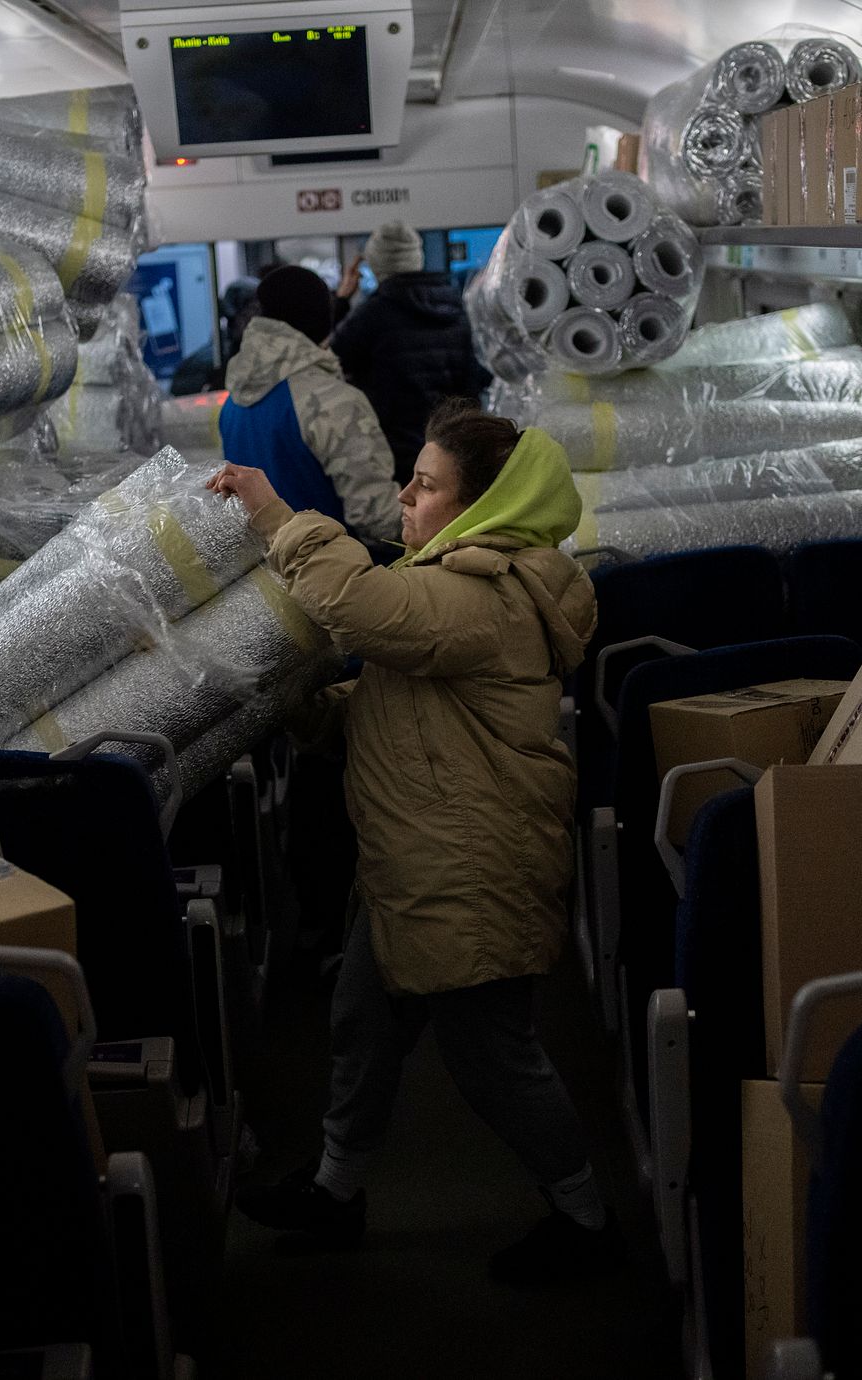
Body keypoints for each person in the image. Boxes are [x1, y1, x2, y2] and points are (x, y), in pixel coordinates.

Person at [207, 399, 622, 1285]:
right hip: (418, 861)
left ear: (481, 508)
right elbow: (396, 707)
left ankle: (585, 1217)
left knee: (494, 1059)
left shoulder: (489, 595)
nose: (405, 495)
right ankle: (335, 1191)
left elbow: (358, 605)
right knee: (361, 1023)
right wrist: (300, 706)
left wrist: (274, 515)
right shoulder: (458, 588)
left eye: (427, 485)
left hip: (471, 868)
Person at [219, 264, 400, 551]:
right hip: (335, 569)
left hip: (268, 568)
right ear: (319, 320)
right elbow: (377, 519)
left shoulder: (233, 402)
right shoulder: (332, 401)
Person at [330, 222, 491, 485]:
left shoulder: (373, 314)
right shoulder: (454, 307)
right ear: (417, 258)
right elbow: (471, 384)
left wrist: (341, 300)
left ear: (377, 264)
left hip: (391, 452)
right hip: (447, 448)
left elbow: (329, 360)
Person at [170, 276, 260, 395]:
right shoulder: (211, 359)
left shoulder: (263, 351)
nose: (258, 318)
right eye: (253, 309)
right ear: (235, 315)